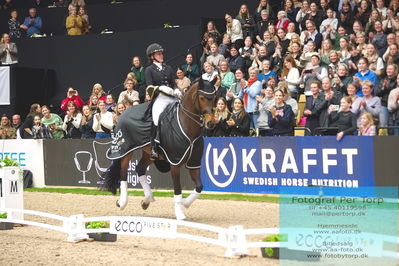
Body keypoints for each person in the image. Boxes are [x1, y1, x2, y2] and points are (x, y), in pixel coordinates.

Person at [144, 43, 180, 160]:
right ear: (152, 56)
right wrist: (161, 88)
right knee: (156, 118)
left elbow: (173, 82)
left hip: (172, 96)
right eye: (158, 53)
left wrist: (176, 90)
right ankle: (154, 147)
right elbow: (149, 87)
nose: (161, 55)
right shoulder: (149, 70)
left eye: (161, 53)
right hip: (160, 98)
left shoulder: (168, 68)